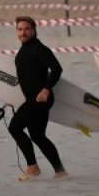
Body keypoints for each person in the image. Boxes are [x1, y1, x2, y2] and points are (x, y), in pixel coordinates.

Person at [8, 16, 69, 181]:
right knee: (37, 136)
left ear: (34, 30)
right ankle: (60, 171)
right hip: (33, 99)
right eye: (20, 29)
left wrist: (46, 89)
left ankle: (32, 167)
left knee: (14, 127)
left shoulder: (38, 48)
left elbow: (57, 69)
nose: (23, 32)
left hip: (40, 99)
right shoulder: (24, 49)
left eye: (27, 29)